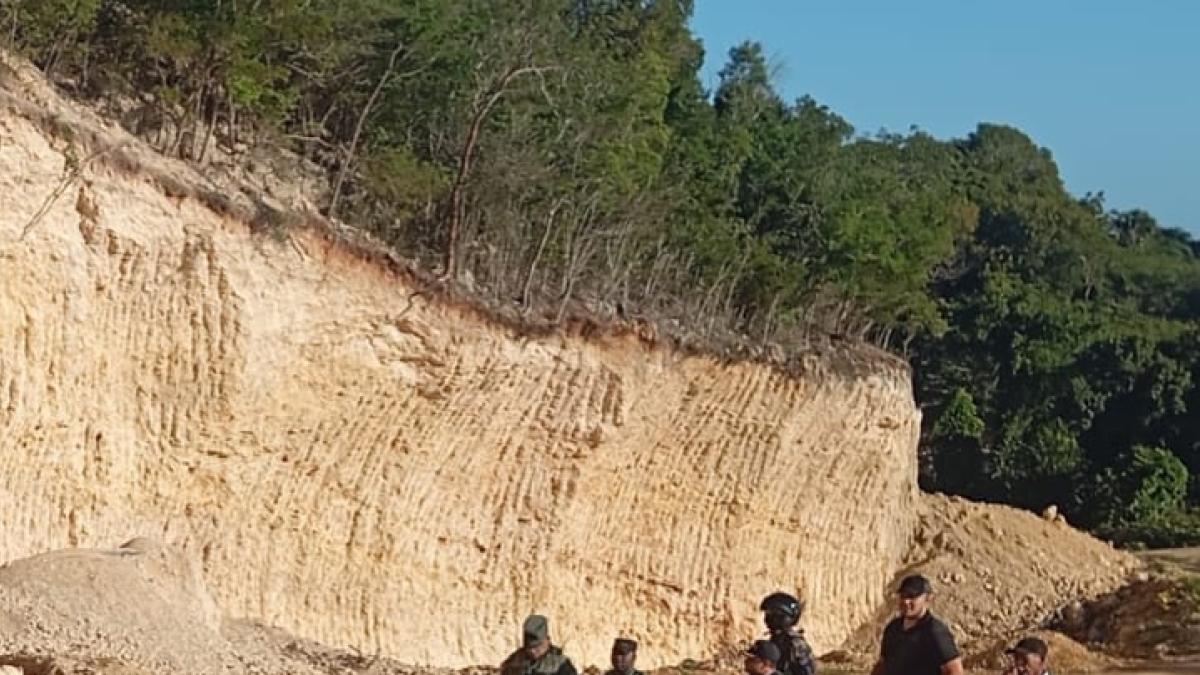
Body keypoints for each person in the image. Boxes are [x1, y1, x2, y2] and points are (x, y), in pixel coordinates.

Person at [870, 574, 964, 675]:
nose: (906, 601)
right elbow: (883, 665)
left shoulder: (935, 632)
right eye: (903, 596)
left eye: (912, 596)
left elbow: (954, 670)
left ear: (927, 598)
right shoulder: (893, 628)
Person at [500, 614, 579, 675]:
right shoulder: (514, 662)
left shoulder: (561, 666)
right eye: (529, 647)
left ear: (547, 640)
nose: (533, 651)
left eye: (537, 647)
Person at [759, 592, 816, 675]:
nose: (767, 618)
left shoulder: (796, 644)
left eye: (771, 614)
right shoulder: (777, 639)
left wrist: (772, 673)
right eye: (767, 614)